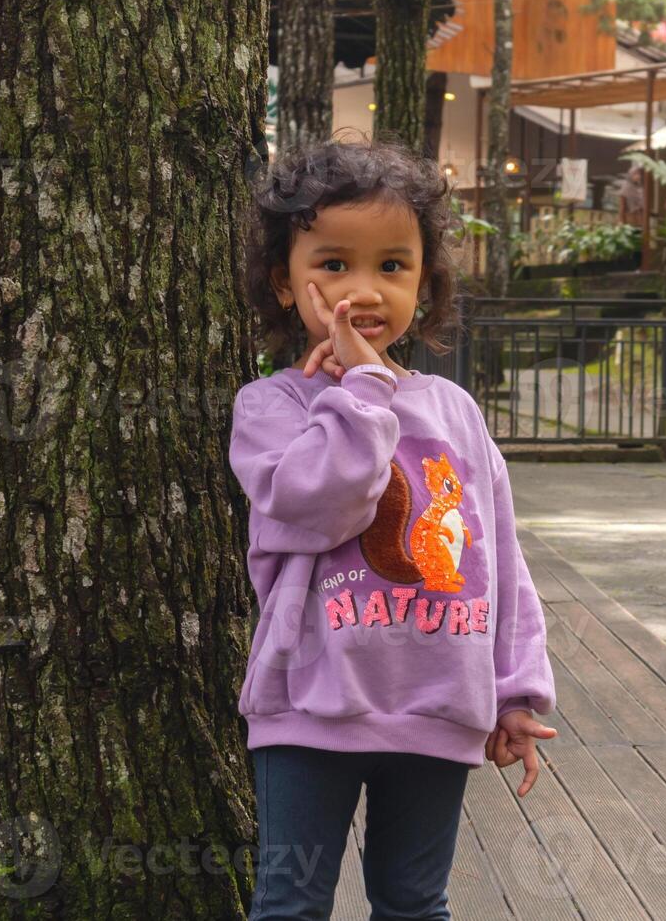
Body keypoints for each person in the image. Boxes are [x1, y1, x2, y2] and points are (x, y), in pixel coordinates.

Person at [230, 137, 559, 920]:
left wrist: (515, 689)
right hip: (308, 705)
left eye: (392, 266)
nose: (364, 289)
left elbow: (500, 558)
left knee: (414, 902)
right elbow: (321, 504)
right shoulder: (273, 408)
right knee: (290, 903)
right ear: (286, 283)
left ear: (425, 282)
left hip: (440, 702)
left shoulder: (454, 411)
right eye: (334, 264)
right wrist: (364, 389)